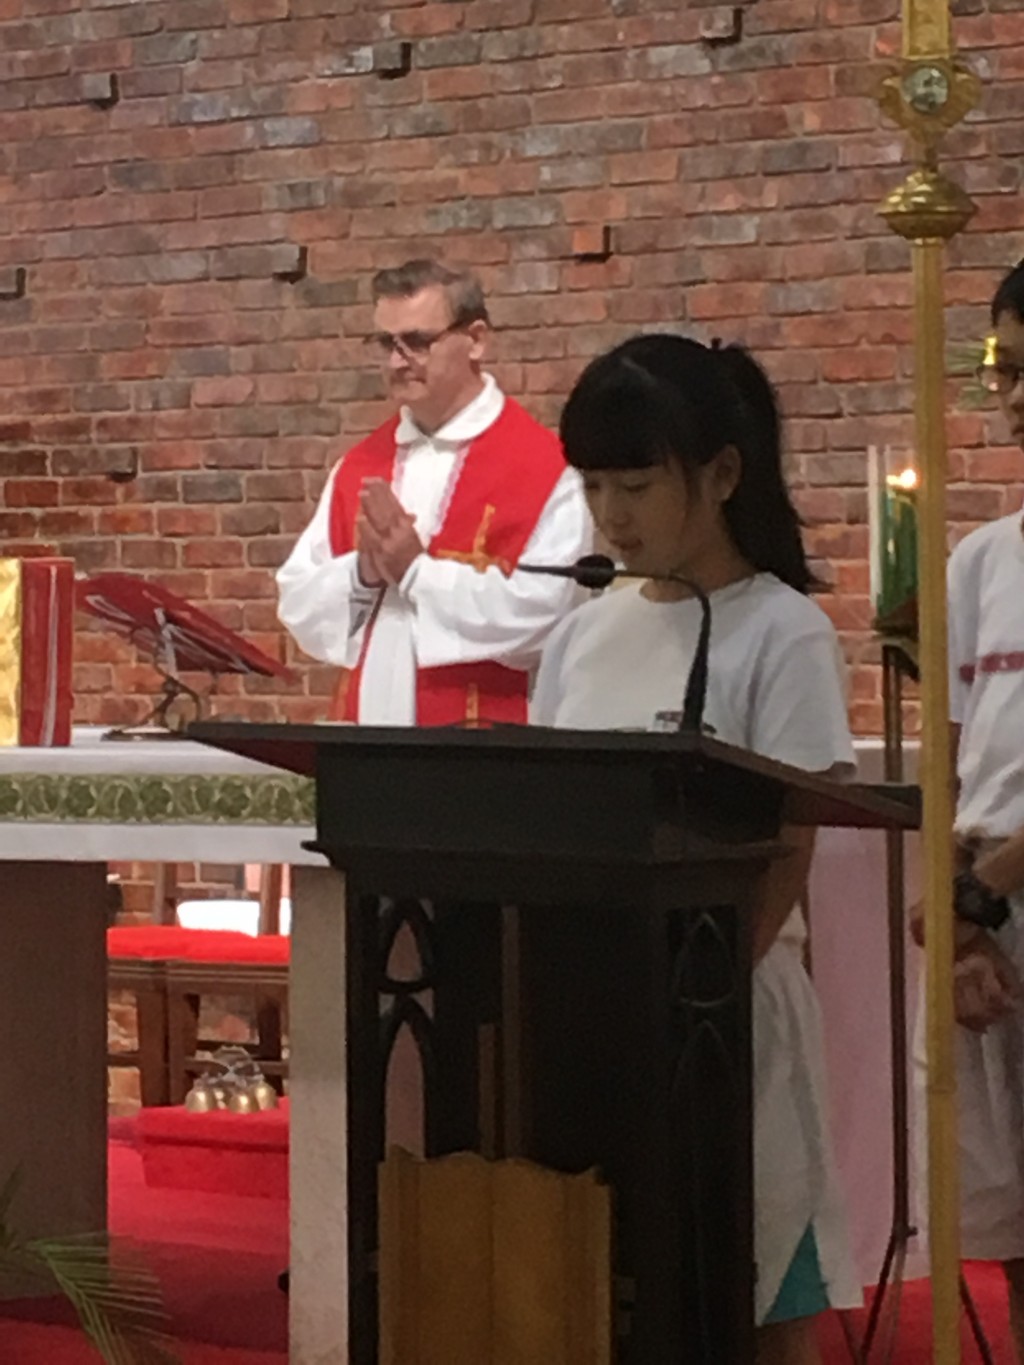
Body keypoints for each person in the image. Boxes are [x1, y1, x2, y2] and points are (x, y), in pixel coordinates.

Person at [531, 333, 862, 1363]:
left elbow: (788, 845)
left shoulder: (781, 631)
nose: (611, 515)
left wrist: (691, 998)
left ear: (720, 474)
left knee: (754, 1292)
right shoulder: (580, 633)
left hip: (725, 1016)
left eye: (636, 485)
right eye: (592, 486)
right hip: (588, 1013)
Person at [276, 258, 590, 725]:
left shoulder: (545, 467)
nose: (396, 361)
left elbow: (550, 613)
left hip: (485, 741)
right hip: (365, 737)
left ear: (476, 340)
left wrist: (416, 573)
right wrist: (363, 572)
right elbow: (298, 603)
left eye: (418, 342)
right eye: (386, 343)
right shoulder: (358, 467)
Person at [919, 257, 1024, 1359]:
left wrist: (976, 898)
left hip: (999, 892)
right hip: (987, 908)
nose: (1017, 396)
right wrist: (955, 918)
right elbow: (950, 765)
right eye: (1008, 369)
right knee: (1009, 1229)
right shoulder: (982, 560)